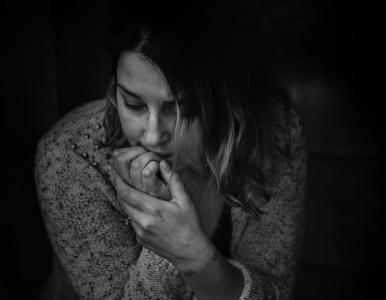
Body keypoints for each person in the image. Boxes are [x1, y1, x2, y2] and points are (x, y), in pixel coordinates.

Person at [34, 1, 307, 299]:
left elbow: (277, 292)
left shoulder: (273, 132)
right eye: (133, 104)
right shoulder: (71, 155)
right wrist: (164, 249)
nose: (152, 135)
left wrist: (194, 256)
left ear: (230, 103)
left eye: (184, 110)